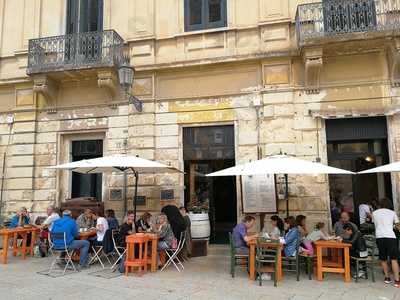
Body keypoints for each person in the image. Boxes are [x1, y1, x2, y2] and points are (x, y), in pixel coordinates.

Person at [372, 198, 400, 286]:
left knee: (383, 258)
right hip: (391, 237)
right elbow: (398, 226)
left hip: (380, 236)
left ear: (380, 204)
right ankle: (397, 280)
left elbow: (375, 224)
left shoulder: (374, 213)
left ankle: (387, 277)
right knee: (394, 259)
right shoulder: (392, 213)